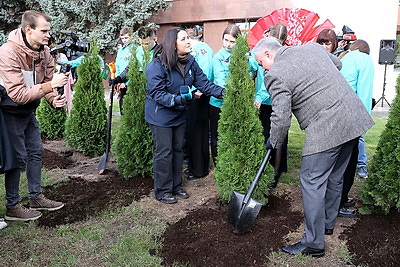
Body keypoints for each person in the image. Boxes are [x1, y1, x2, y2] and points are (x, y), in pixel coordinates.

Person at [253, 38, 374, 257]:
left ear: (269, 54)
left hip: (327, 126)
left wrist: (274, 140)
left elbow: (280, 118)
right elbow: (338, 65)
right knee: (335, 175)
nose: (263, 68)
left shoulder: (275, 75)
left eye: (262, 63)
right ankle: (327, 224)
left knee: (311, 180)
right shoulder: (312, 48)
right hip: (352, 118)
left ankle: (313, 243)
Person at [0, 10, 68, 221]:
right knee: (15, 159)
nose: (48, 35)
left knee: (36, 152)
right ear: (29, 29)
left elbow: (45, 83)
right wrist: (50, 85)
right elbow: (18, 94)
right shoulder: (8, 52)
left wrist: (52, 98)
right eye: (44, 31)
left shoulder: (44, 52)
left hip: (29, 110)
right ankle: (13, 207)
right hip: (8, 111)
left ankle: (36, 197)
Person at [145, 27, 224, 204]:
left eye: (188, 38)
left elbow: (205, 84)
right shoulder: (156, 65)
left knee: (178, 149)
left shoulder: (190, 62)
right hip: (161, 116)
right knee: (164, 152)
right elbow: (158, 94)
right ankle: (163, 190)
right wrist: (180, 99)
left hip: (179, 113)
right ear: (173, 45)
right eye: (183, 39)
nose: (188, 41)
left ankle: (176, 185)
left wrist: (225, 92)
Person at [336, 39, 374, 218]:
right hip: (350, 116)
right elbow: (364, 93)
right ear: (366, 51)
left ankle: (339, 199)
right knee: (349, 163)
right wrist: (363, 121)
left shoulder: (344, 57)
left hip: (336, 116)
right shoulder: (364, 60)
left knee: (339, 162)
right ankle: (339, 202)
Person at [249, 23, 288, 188]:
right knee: (267, 134)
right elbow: (253, 66)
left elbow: (271, 78)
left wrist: (260, 95)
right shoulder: (261, 51)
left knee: (278, 136)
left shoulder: (282, 56)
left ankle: (276, 171)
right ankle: (267, 167)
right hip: (265, 102)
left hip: (276, 100)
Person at [184, 26, 214, 180]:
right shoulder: (201, 48)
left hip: (199, 95)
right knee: (193, 132)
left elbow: (206, 72)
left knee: (198, 133)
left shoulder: (201, 50)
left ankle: (199, 169)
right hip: (194, 94)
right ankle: (193, 166)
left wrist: (199, 90)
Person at [209, 24, 241, 166]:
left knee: (234, 136)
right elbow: (221, 82)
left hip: (237, 103)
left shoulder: (243, 56)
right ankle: (219, 166)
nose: (228, 45)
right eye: (225, 40)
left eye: (232, 41)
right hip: (218, 104)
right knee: (217, 136)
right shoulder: (218, 58)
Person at [115, 27, 135, 114]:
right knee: (122, 108)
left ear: (131, 37)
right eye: (122, 38)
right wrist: (117, 80)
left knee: (131, 110)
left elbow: (133, 68)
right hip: (121, 82)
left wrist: (126, 82)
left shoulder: (135, 49)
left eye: (126, 38)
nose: (124, 40)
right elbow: (117, 65)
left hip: (130, 83)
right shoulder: (121, 51)